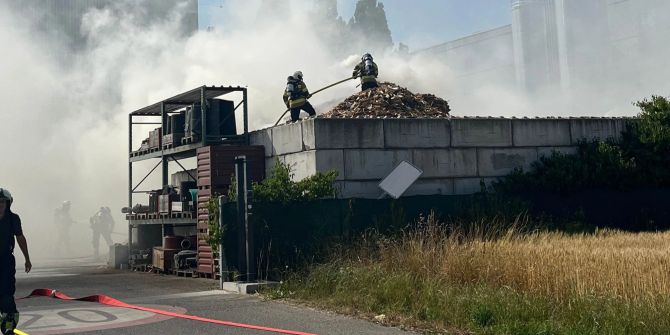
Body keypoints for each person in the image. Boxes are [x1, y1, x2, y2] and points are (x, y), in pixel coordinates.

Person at [0, 188, 31, 334]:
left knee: (6, 295)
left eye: (2, 202)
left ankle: (8, 327)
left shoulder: (13, 219)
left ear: (8, 204)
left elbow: (20, 238)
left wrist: (27, 259)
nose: (0, 205)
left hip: (6, 261)